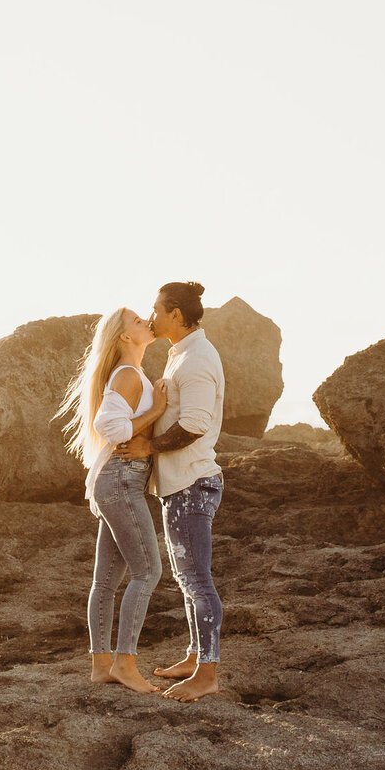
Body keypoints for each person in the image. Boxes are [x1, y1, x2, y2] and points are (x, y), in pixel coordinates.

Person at [119, 280, 228, 702]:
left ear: (176, 315)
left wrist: (149, 445)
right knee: (187, 579)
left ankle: (207, 674)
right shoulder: (182, 354)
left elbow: (196, 423)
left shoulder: (197, 358)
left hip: (192, 483)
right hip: (180, 483)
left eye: (158, 311)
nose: (151, 318)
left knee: (197, 580)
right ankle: (194, 654)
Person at [58, 307, 166, 695]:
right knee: (148, 572)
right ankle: (125, 663)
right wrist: (155, 411)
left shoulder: (130, 373)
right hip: (121, 481)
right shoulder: (127, 375)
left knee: (105, 581)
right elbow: (113, 428)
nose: (146, 323)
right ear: (124, 337)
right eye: (138, 321)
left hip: (115, 482)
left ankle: (100, 665)